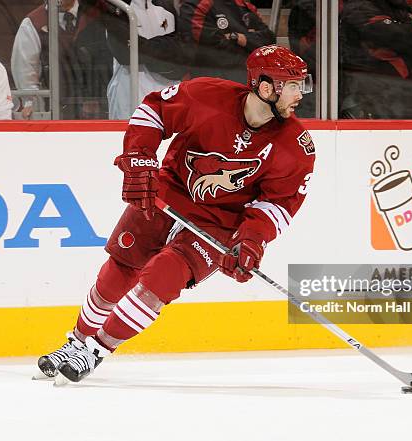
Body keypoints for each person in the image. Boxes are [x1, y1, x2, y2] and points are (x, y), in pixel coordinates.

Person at [37, 45, 315, 383]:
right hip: (169, 193)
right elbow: (153, 112)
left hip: (220, 223)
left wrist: (251, 241)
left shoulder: (296, 147)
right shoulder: (206, 96)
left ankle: (97, 350)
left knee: (161, 278)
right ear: (266, 87)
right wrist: (139, 157)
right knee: (122, 266)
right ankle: (76, 341)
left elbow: (278, 204)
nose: (300, 93)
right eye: (294, 85)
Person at [339, 0, 412, 119]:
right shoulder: (359, 8)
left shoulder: (399, 7)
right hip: (373, 97)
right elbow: (398, 37)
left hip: (408, 97)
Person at [10, 0, 111, 120]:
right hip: (54, 113)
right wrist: (34, 106)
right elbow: (25, 74)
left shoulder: (96, 17)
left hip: (96, 111)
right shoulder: (32, 23)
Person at [102, 0, 190, 120]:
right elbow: (124, 54)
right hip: (129, 91)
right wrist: (164, 51)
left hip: (169, 91)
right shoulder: (117, 6)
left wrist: (143, 47)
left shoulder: (168, 7)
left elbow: (184, 49)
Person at [178, 0, 276, 85]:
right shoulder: (195, 4)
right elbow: (211, 45)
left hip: (245, 84)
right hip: (209, 84)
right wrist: (251, 42)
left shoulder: (244, 5)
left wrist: (237, 37)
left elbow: (269, 39)